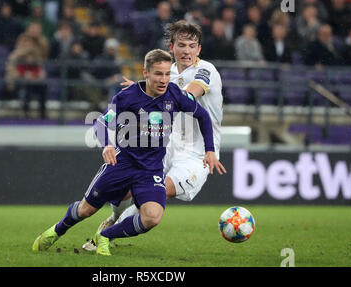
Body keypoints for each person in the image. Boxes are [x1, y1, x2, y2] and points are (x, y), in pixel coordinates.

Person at [32, 49, 218, 256]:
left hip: (150, 170)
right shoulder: (127, 97)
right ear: (146, 73)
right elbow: (101, 123)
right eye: (158, 74)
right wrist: (107, 145)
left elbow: (202, 116)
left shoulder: (175, 94)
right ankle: (56, 231)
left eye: (167, 74)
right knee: (86, 210)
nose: (164, 79)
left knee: (152, 217)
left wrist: (209, 150)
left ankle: (105, 235)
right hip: (122, 165)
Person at [82, 20, 226, 252]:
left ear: (198, 49)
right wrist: (147, 87)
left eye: (192, 45)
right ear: (172, 47)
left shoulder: (205, 70)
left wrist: (151, 89)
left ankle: (105, 235)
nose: (186, 51)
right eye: (181, 45)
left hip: (197, 153)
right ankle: (113, 217)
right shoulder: (170, 72)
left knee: (160, 192)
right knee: (129, 187)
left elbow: (188, 94)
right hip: (167, 144)